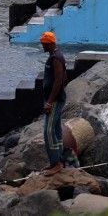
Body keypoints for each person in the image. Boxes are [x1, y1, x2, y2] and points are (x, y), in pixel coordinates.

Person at [40, 31, 67, 176]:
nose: (42, 47)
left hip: (55, 100)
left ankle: (55, 163)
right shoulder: (56, 55)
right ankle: (59, 160)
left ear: (50, 44)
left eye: (43, 44)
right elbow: (64, 76)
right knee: (56, 129)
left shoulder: (56, 58)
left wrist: (50, 102)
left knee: (48, 131)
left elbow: (58, 80)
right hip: (56, 98)